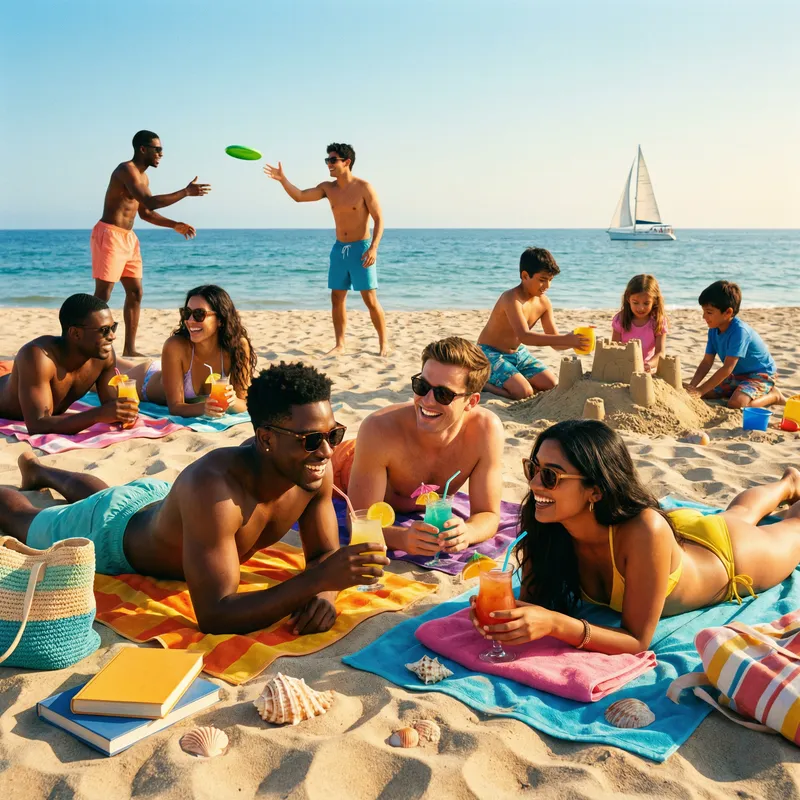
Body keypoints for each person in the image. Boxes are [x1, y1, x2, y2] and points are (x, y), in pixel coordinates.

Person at [0, 363, 389, 635]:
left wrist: (325, 593)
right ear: (266, 438)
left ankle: (42, 472)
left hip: (158, 502)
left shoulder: (310, 471)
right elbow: (215, 614)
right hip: (113, 537)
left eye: (333, 434)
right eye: (310, 440)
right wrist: (318, 580)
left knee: (107, 497)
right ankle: (32, 480)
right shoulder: (215, 489)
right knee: (22, 518)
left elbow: (323, 557)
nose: (325, 451)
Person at [469, 419, 800, 654]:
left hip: (728, 557)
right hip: (675, 538)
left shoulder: (644, 529)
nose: (535, 484)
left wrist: (556, 624)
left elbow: (637, 641)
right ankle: (787, 484)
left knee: (779, 526)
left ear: (595, 491)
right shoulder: (546, 523)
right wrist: (503, 616)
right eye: (533, 468)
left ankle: (790, 487)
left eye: (551, 476)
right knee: (737, 514)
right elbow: (534, 605)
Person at [338, 337, 504, 557]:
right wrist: (402, 539)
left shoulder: (486, 431)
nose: (427, 401)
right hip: (345, 461)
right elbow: (358, 523)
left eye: (443, 394)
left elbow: (488, 514)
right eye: (422, 386)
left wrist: (468, 532)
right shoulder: (379, 429)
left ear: (471, 402)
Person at [92, 130, 211, 357]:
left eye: (161, 150)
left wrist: (174, 224)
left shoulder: (143, 178)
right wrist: (186, 192)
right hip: (109, 235)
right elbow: (150, 202)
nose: (161, 154)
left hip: (128, 238)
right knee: (103, 295)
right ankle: (89, 344)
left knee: (135, 292)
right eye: (157, 149)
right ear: (142, 149)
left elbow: (145, 212)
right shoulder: (125, 170)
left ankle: (129, 349)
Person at [263, 143, 388, 357]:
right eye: (327, 160)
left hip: (362, 248)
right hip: (339, 250)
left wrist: (374, 248)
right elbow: (300, 196)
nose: (328, 164)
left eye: (332, 160)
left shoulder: (364, 187)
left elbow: (379, 219)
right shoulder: (328, 188)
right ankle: (340, 344)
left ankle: (384, 343)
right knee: (337, 298)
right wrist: (283, 180)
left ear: (346, 162)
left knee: (370, 300)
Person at [0, 294, 139, 434]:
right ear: (75, 333)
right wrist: (97, 415)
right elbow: (37, 424)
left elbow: (112, 407)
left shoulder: (103, 356)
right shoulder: (37, 356)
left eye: (113, 327)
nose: (112, 336)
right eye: (104, 330)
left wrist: (123, 411)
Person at [130, 285, 257, 418]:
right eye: (187, 313)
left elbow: (243, 403)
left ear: (220, 319)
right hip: (144, 381)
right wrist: (204, 408)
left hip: (168, 369)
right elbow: (175, 407)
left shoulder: (237, 346)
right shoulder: (175, 346)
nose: (190, 321)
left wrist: (233, 401)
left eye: (199, 314)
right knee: (112, 377)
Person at [477, 247, 587, 400]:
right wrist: (566, 339)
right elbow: (525, 336)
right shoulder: (510, 298)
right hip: (490, 353)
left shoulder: (544, 303)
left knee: (553, 384)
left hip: (519, 354)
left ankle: (515, 380)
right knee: (524, 393)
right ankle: (480, 384)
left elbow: (555, 342)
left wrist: (575, 340)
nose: (547, 286)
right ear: (525, 275)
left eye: (550, 280)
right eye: (542, 280)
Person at [686, 280, 782, 408]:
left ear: (728, 312)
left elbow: (727, 368)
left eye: (709, 312)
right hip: (738, 376)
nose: (704, 316)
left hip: (761, 374)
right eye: (703, 311)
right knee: (706, 393)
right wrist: (693, 387)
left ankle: (775, 396)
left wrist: (700, 390)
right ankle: (740, 390)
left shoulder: (739, 332)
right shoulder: (713, 330)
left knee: (736, 403)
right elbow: (706, 362)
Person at [611, 274, 669, 372]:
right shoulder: (620, 320)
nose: (640, 308)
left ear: (654, 301)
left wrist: (648, 365)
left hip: (645, 370)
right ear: (628, 299)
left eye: (646, 303)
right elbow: (613, 348)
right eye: (635, 302)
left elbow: (660, 353)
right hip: (623, 368)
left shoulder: (658, 321)